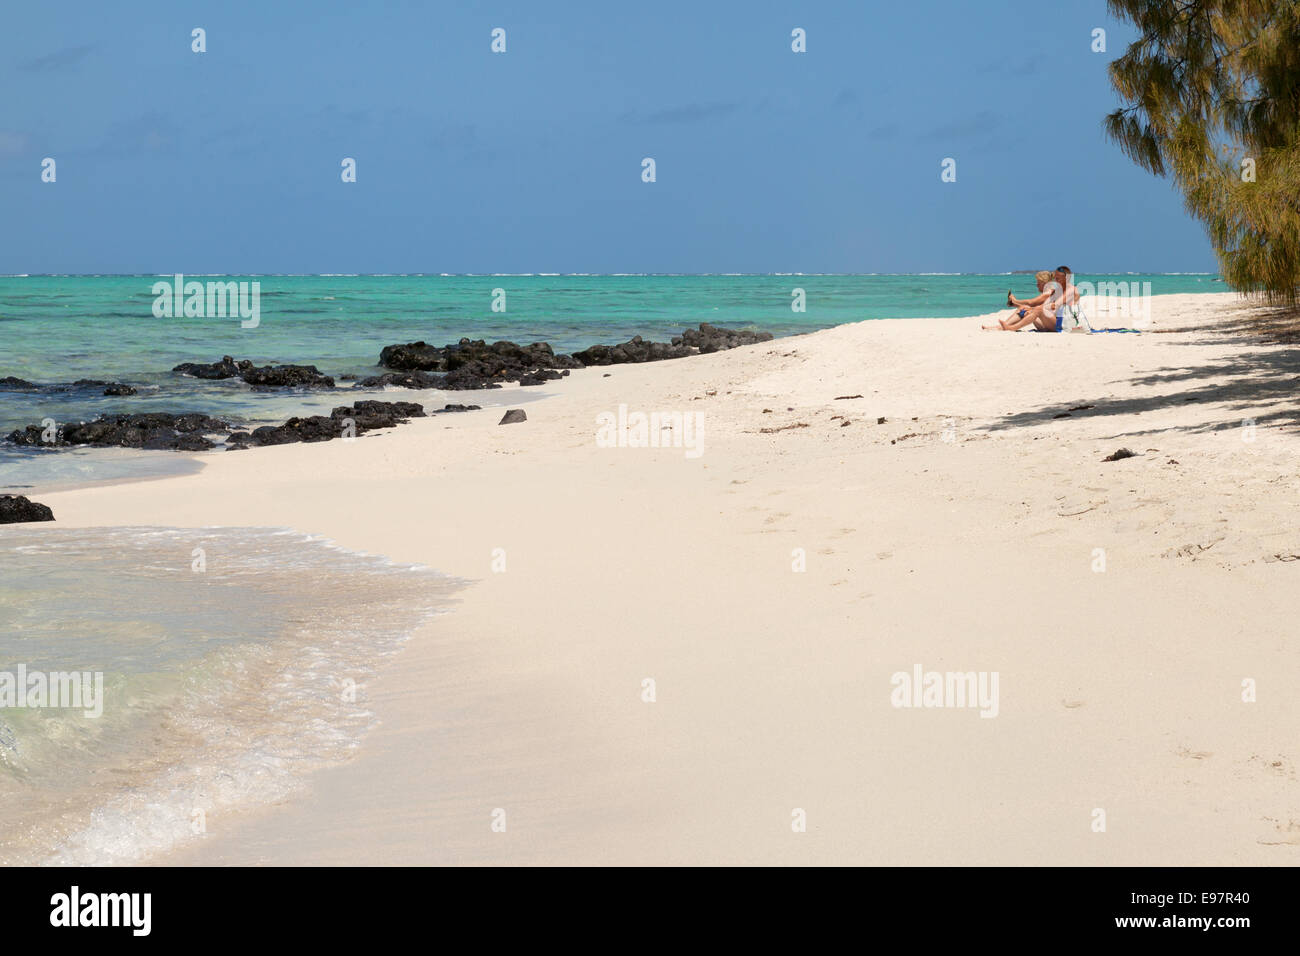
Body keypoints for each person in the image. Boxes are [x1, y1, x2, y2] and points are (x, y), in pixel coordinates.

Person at [983, 266, 1087, 331]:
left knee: (1036, 309)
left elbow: (1055, 306)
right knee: (1024, 308)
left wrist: (1031, 308)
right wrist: (1028, 308)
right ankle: (1001, 327)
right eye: (1056, 278)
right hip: (1053, 322)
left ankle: (1011, 328)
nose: (1056, 281)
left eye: (1059, 278)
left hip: (1066, 325)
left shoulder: (1072, 290)